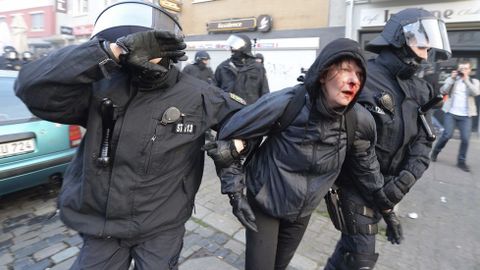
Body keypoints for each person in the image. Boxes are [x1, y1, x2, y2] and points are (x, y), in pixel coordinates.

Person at [14, 2, 246, 269]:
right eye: (135, 45)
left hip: (162, 224)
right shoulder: (99, 86)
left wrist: (233, 157)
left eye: (152, 46)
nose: (145, 55)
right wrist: (110, 52)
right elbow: (32, 87)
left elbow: (250, 122)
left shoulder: (199, 94)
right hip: (101, 224)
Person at [204, 38, 401, 270]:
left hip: (302, 212)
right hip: (266, 200)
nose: (353, 80)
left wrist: (386, 207)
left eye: (359, 74)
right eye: (345, 70)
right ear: (323, 73)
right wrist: (235, 193)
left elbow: (367, 168)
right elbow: (227, 142)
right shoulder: (286, 103)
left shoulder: (358, 120)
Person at [325, 8, 452, 270]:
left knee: (349, 252)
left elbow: (423, 142)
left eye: (429, 49)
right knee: (361, 259)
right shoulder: (361, 78)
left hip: (388, 187)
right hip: (354, 185)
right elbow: (351, 143)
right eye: (422, 46)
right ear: (400, 38)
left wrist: (399, 186)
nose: (426, 55)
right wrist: (382, 196)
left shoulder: (421, 88)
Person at [430, 60, 480, 172]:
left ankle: (461, 161)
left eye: (465, 68)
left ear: (470, 70)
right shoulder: (452, 79)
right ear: (458, 69)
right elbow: (443, 91)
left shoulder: (474, 81)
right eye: (461, 68)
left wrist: (465, 79)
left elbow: (475, 92)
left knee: (466, 139)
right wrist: (452, 79)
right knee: (446, 135)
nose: (463, 70)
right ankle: (435, 152)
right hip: (451, 113)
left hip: (466, 116)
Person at [215, 33, 269, 104]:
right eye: (231, 46)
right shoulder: (223, 67)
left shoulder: (257, 68)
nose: (232, 49)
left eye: (234, 46)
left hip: (251, 111)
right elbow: (215, 92)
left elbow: (265, 92)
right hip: (229, 111)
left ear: (244, 47)